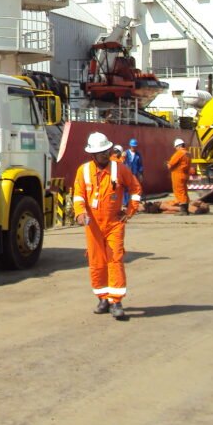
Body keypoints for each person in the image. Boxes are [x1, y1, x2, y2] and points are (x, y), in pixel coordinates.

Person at [72, 131, 143, 320]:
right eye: (101, 152)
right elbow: (78, 195)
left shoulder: (119, 169)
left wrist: (130, 211)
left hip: (114, 224)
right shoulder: (83, 171)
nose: (105, 154)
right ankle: (102, 298)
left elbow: (135, 188)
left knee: (115, 260)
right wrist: (80, 213)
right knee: (96, 262)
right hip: (92, 225)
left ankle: (116, 301)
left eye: (106, 151)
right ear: (93, 154)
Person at [167, 138, 195, 215]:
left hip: (178, 175)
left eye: (176, 147)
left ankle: (183, 211)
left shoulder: (179, 153)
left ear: (179, 146)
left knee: (179, 192)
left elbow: (170, 164)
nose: (175, 149)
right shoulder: (188, 153)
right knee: (184, 192)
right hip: (185, 175)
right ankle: (186, 209)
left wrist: (168, 164)